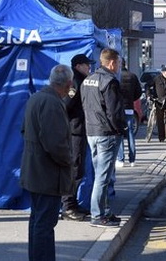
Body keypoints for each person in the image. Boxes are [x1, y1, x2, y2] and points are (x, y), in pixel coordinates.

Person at [20, 64, 73, 261]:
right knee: (44, 224)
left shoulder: (35, 98)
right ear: (68, 84)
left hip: (34, 170)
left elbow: (24, 131)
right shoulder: (52, 103)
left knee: (37, 222)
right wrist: (69, 161)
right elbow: (56, 144)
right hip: (47, 174)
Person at [81, 48, 126, 227]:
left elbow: (84, 105)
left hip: (91, 131)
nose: (120, 66)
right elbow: (114, 111)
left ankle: (104, 211)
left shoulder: (88, 80)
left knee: (100, 174)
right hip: (107, 133)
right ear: (112, 63)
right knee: (103, 176)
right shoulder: (110, 82)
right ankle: (98, 215)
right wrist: (120, 129)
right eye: (119, 63)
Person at [60, 54, 95, 221]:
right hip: (75, 131)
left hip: (79, 130)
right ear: (78, 66)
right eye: (87, 65)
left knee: (79, 168)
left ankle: (72, 203)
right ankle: (68, 206)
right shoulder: (76, 81)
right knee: (74, 168)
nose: (89, 68)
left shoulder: (82, 80)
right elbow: (66, 105)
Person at [117, 58, 142, 167]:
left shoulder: (116, 77)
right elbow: (139, 92)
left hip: (118, 108)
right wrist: (131, 99)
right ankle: (132, 159)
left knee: (120, 134)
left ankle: (121, 159)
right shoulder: (132, 76)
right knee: (130, 133)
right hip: (129, 108)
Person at [152, 65, 166, 142]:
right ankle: (161, 137)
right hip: (158, 102)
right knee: (160, 120)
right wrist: (150, 95)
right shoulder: (157, 79)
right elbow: (148, 86)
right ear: (162, 72)